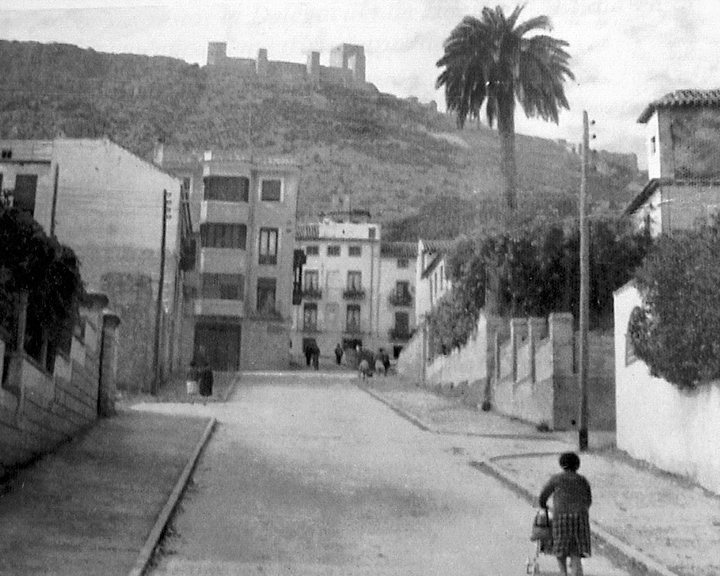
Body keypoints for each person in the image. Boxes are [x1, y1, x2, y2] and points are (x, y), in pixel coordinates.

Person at [538, 452, 592, 576]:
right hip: (580, 516)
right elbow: (588, 499)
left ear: (561, 464)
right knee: (576, 547)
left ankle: (563, 572)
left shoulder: (556, 479)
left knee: (560, 545)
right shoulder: (582, 480)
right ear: (577, 465)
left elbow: (543, 495)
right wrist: (583, 510)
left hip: (561, 516)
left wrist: (544, 506)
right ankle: (576, 570)